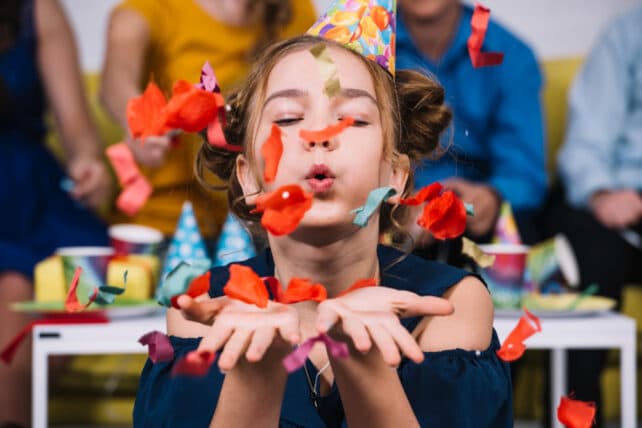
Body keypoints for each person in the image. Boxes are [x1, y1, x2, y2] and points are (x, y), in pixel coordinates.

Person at [133, 10, 513, 425]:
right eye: (288, 118)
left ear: (395, 176)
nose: (320, 136)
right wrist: (257, 370)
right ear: (248, 178)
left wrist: (361, 359)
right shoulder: (205, 312)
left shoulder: (450, 305)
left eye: (354, 119)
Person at [101, 0, 317, 242]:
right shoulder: (148, 11)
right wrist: (141, 123)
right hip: (166, 224)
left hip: (264, 222)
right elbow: (114, 84)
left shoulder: (298, 10)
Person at [0, 0, 111, 424]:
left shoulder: (37, 9)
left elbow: (77, 127)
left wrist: (87, 161)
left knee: (22, 283)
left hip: (34, 200)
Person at [545, 7, 642, 426]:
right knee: (586, 252)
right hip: (620, 198)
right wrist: (602, 193)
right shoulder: (627, 33)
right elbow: (587, 142)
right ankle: (578, 421)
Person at [396, 0, 546, 245]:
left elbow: (524, 172)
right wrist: (396, 203)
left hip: (480, 215)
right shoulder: (363, 52)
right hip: (393, 206)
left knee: (523, 225)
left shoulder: (510, 53)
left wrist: (492, 197)